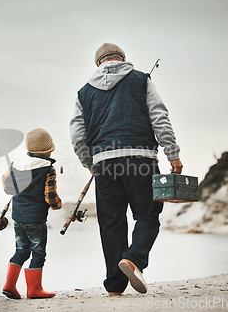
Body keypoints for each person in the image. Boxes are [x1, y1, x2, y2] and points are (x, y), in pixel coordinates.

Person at [70, 43, 183, 296]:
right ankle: (133, 259)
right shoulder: (141, 80)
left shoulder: (83, 93)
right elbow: (159, 116)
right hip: (142, 159)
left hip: (105, 164)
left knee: (111, 223)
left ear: (98, 63)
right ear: (122, 58)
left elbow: (77, 136)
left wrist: (91, 164)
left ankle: (114, 287)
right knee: (147, 214)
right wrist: (172, 153)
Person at [1, 128, 62, 299]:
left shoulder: (16, 164)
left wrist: (18, 192)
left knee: (21, 250)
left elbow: (6, 184)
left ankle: (9, 285)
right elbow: (50, 197)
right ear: (48, 151)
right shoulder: (48, 169)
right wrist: (58, 205)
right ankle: (34, 289)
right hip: (36, 218)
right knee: (38, 252)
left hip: (18, 216)